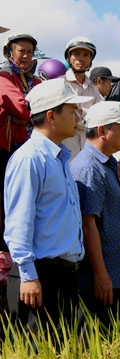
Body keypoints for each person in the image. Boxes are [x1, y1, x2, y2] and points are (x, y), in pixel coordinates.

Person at [5, 78, 91, 341]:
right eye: (71, 109)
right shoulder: (30, 158)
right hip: (39, 277)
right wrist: (29, 276)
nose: (78, 115)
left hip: (63, 275)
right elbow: (19, 221)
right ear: (52, 116)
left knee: (65, 357)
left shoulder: (60, 157)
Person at [69, 101, 120, 328]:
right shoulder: (88, 168)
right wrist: (101, 275)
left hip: (118, 275)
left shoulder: (107, 163)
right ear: (103, 131)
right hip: (105, 279)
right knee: (100, 342)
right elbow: (87, 225)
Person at [0, 33, 43, 269]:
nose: (26, 56)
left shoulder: (34, 81)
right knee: (7, 203)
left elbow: (42, 105)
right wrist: (28, 114)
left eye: (30, 51)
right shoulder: (4, 76)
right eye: (21, 51)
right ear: (10, 53)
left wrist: (26, 115)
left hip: (29, 149)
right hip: (6, 150)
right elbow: (22, 107)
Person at [62, 36, 102, 159]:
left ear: (91, 60)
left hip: (88, 144)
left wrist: (81, 112)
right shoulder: (61, 83)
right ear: (69, 57)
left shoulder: (92, 88)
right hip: (65, 141)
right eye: (77, 54)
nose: (81, 58)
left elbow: (100, 115)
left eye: (86, 55)